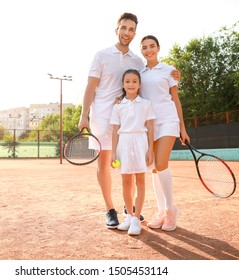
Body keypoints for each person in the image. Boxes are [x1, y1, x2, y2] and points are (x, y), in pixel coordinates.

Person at [78, 12, 180, 229]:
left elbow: (154, 77)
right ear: (116, 29)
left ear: (135, 33)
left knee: (132, 164)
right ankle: (110, 209)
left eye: (131, 29)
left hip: (128, 119)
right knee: (105, 162)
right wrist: (83, 114)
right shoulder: (101, 55)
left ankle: (130, 209)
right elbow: (90, 86)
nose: (127, 32)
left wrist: (176, 75)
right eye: (123, 28)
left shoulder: (136, 60)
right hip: (102, 117)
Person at [139, 35, 190, 231]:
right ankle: (161, 211)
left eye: (152, 46)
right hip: (150, 125)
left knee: (161, 163)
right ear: (142, 51)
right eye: (144, 47)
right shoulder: (140, 72)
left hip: (169, 120)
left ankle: (170, 210)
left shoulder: (169, 70)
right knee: (153, 167)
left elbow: (175, 100)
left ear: (158, 48)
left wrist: (182, 128)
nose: (148, 50)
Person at [110, 69, 155, 235]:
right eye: (127, 81)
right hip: (124, 144)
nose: (131, 84)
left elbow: (150, 128)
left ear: (139, 85)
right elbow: (115, 130)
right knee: (126, 182)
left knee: (140, 181)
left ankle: (136, 218)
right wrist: (113, 152)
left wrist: (151, 149)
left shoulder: (146, 104)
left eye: (134, 81)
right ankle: (129, 216)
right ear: (123, 84)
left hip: (140, 142)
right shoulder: (118, 106)